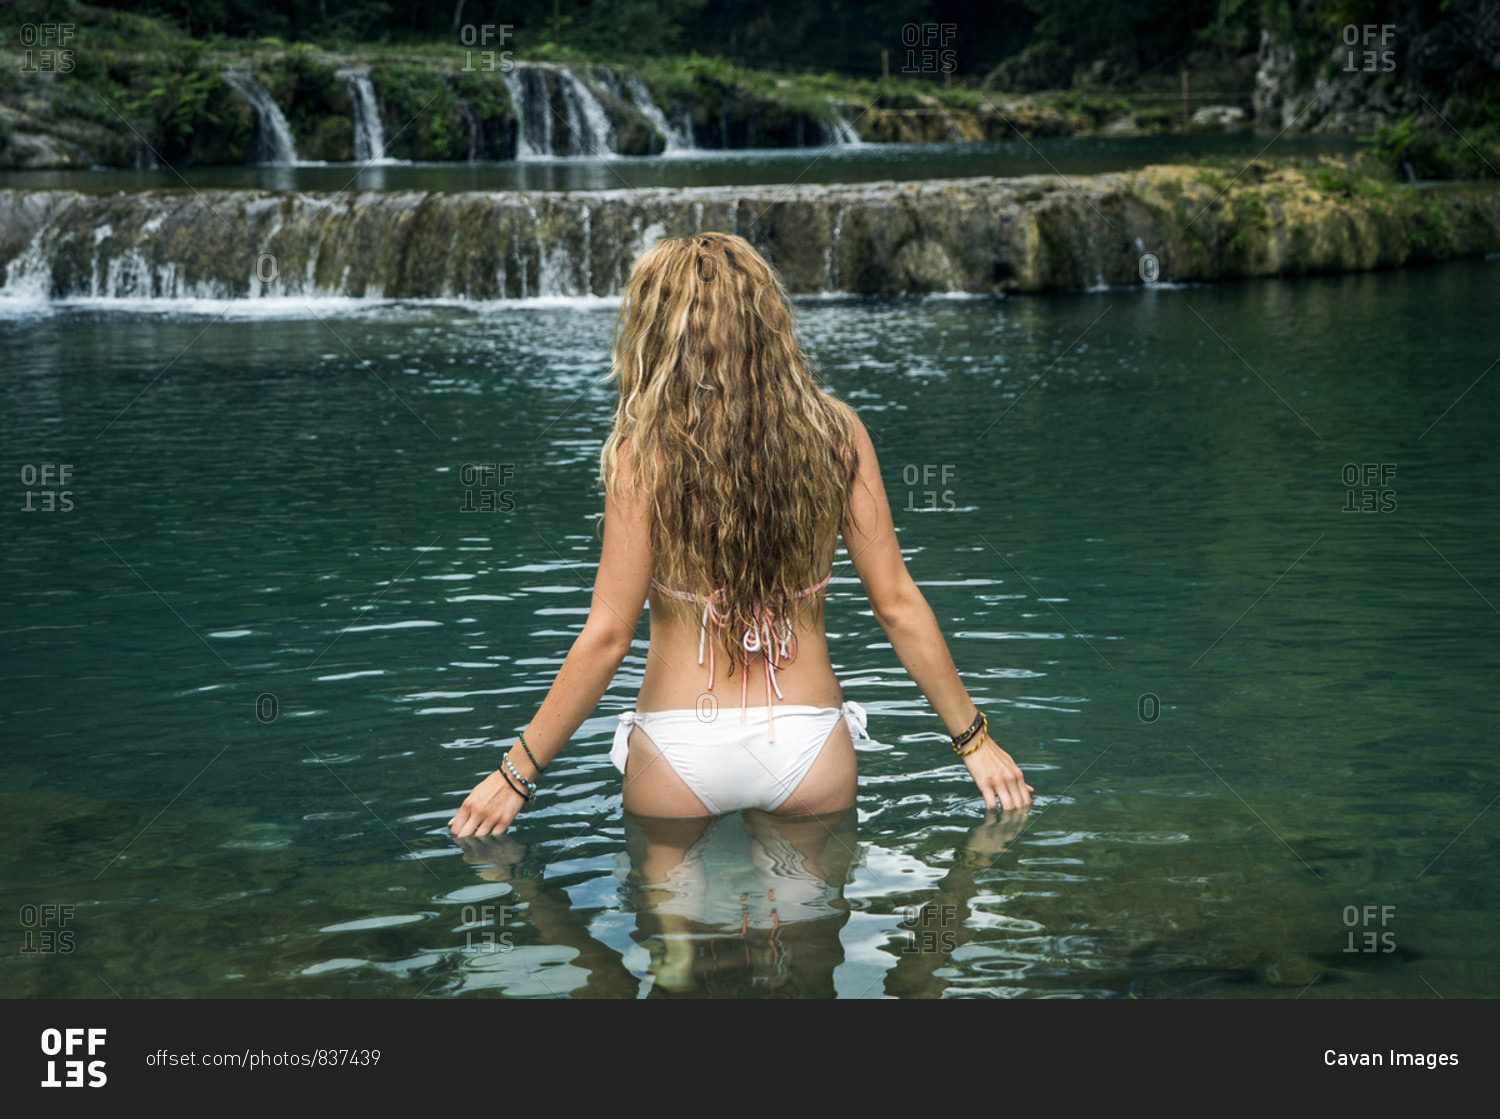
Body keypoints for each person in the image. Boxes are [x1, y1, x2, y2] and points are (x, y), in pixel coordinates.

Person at [448, 232, 1031, 839]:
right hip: (806, 744)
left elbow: (608, 635)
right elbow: (896, 604)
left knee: (673, 934)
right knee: (803, 932)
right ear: (767, 320)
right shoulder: (837, 434)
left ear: (657, 331)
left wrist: (515, 774)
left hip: (678, 749)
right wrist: (974, 742)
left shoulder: (641, 454)